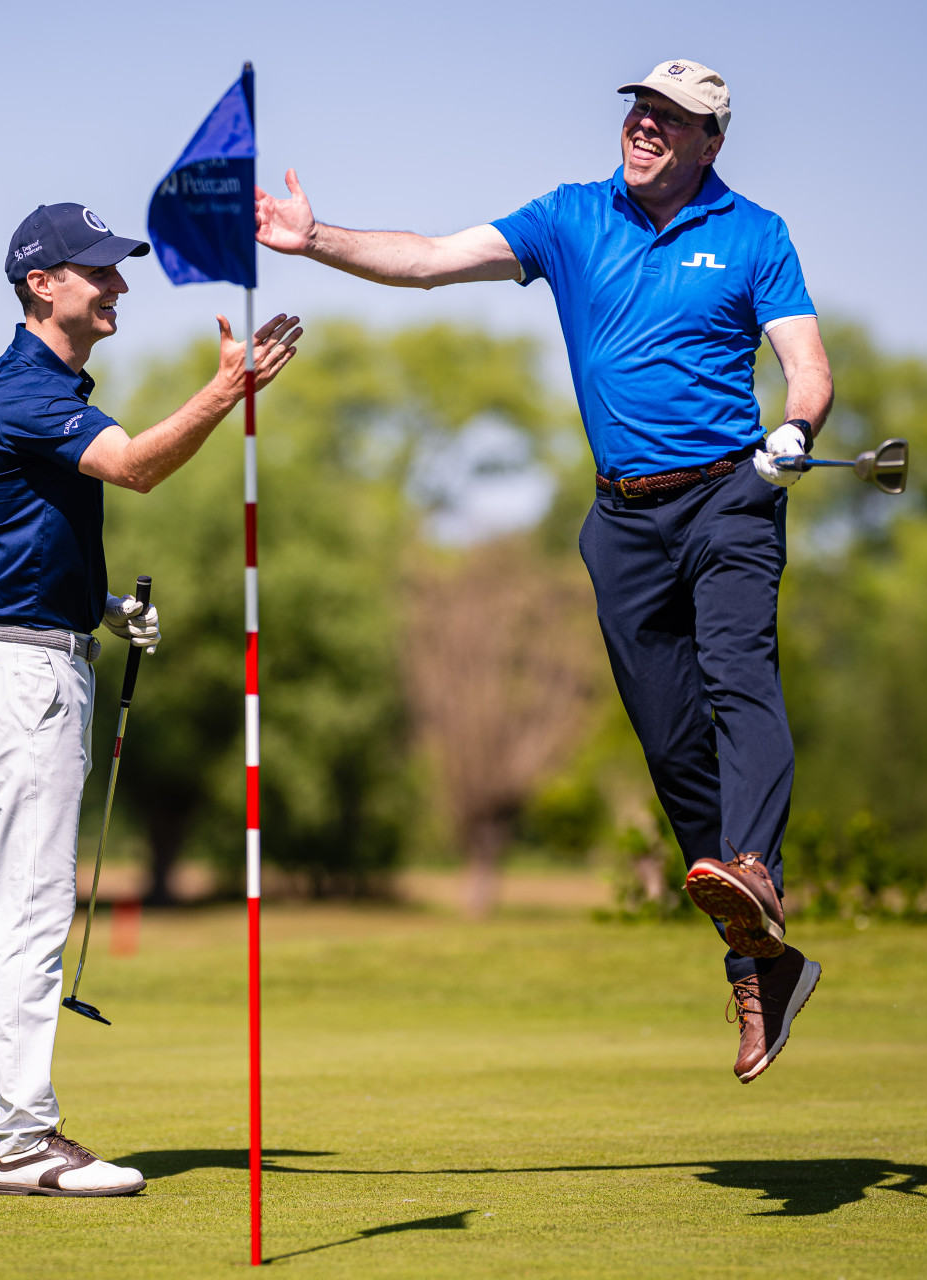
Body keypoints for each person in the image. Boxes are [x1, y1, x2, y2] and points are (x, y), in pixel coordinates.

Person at [254, 60, 826, 1083]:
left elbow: (807, 364)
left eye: (673, 119)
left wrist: (796, 428)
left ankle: (756, 875)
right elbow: (431, 259)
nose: (646, 126)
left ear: (712, 142)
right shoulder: (569, 217)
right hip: (623, 520)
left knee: (739, 673)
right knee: (670, 741)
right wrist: (317, 237)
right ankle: (763, 959)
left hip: (731, 498)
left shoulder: (755, 234)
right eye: (640, 109)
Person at [0, 202, 302, 1194]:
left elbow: (33, 541)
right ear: (42, 284)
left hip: (30, 657)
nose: (119, 284)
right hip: (23, 675)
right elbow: (134, 468)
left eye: (117, 269)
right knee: (34, 903)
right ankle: (27, 1140)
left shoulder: (48, 389)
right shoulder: (25, 389)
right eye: (99, 271)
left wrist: (105, 607)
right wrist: (226, 390)